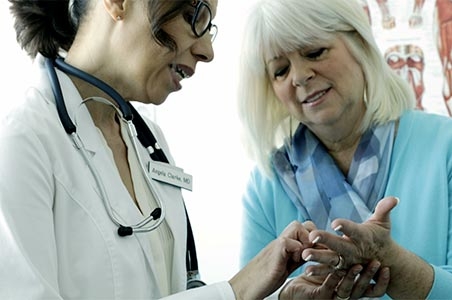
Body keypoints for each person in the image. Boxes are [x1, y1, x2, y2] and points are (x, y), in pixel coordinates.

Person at [0, 0, 374, 299]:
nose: (208, 50)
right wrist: (238, 290)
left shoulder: (148, 141)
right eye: (194, 14)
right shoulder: (22, 142)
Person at [236, 0, 452, 299]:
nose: (299, 76)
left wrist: (395, 267)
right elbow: (246, 294)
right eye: (280, 71)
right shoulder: (267, 185)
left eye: (314, 52)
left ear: (358, 44)